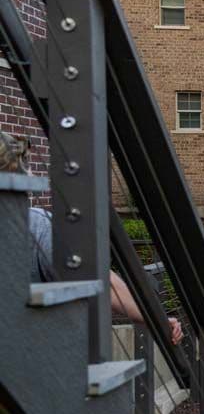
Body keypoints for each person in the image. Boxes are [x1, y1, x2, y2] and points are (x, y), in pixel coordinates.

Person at [6, 131, 184, 344]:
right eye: (26, 164)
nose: (33, 172)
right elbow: (101, 282)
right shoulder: (36, 226)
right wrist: (157, 319)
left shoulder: (37, 226)